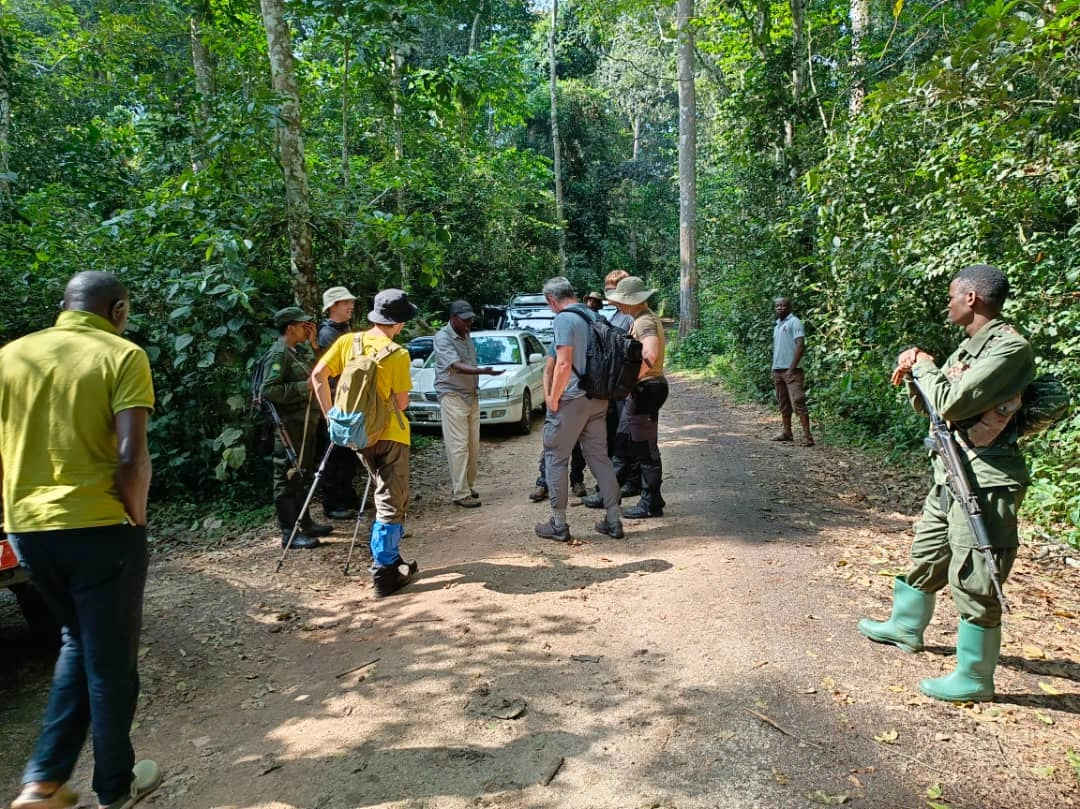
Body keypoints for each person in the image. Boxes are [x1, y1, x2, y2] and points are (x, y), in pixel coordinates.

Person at [0, 271, 161, 809]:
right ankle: (115, 785)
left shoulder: (11, 356)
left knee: (79, 641)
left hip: (27, 527)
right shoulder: (121, 355)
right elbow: (130, 457)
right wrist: (135, 520)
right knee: (113, 662)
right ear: (117, 310)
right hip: (98, 526)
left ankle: (43, 781)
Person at [857, 264, 1034, 702]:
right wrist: (915, 372)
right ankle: (906, 626)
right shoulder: (969, 350)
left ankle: (975, 677)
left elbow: (953, 402)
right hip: (951, 471)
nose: (948, 303)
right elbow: (933, 408)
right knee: (927, 553)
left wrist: (926, 366)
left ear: (971, 298)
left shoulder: (1008, 350)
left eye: (953, 295)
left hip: (986, 480)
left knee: (975, 576)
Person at [312, 289, 419, 598]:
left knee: (386, 494)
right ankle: (383, 573)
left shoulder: (349, 342)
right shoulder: (397, 353)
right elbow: (401, 403)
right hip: (390, 436)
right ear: (398, 323)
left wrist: (332, 416)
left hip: (357, 435)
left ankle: (392, 558)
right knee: (389, 501)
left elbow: (318, 376)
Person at [534, 277, 623, 542]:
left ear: (552, 300)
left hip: (573, 399)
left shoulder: (563, 319)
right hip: (599, 397)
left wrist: (553, 398)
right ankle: (613, 520)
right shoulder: (593, 315)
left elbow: (563, 363)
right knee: (599, 457)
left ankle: (559, 524)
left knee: (556, 458)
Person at [583, 276, 669, 518]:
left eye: (621, 301)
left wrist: (629, 381)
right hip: (645, 388)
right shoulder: (640, 319)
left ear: (632, 301)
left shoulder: (644, 322)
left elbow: (650, 352)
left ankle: (651, 502)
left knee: (645, 449)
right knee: (625, 440)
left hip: (646, 388)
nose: (617, 305)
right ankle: (613, 492)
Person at [259, 306, 333, 550]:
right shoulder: (278, 354)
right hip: (289, 426)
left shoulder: (296, 351)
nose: (307, 329)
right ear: (290, 328)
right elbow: (268, 390)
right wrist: (303, 388)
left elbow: (316, 372)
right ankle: (289, 532)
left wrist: (313, 345)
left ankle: (305, 522)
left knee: (302, 473)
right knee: (286, 476)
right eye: (303, 326)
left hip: (304, 424)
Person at [432, 300, 504, 508]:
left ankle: (467, 485)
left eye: (470, 320)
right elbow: (456, 365)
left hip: (471, 395)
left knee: (473, 445)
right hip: (452, 395)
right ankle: (460, 492)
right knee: (458, 446)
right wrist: (483, 371)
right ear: (453, 318)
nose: (468, 324)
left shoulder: (466, 334)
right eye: (464, 320)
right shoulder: (442, 337)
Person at [317, 286, 361, 520]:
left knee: (348, 452)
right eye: (345, 302)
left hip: (349, 400)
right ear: (333, 307)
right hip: (334, 401)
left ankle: (347, 495)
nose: (350, 306)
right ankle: (332, 502)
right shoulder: (327, 334)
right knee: (334, 452)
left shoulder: (345, 329)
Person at [771, 296, 814, 446]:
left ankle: (807, 436)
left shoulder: (794, 322)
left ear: (789, 307)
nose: (780, 308)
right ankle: (787, 432)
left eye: (783, 306)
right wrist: (774, 369)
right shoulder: (777, 325)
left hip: (792, 371)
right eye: (777, 306)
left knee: (798, 402)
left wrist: (791, 368)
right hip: (778, 370)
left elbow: (800, 346)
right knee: (783, 403)